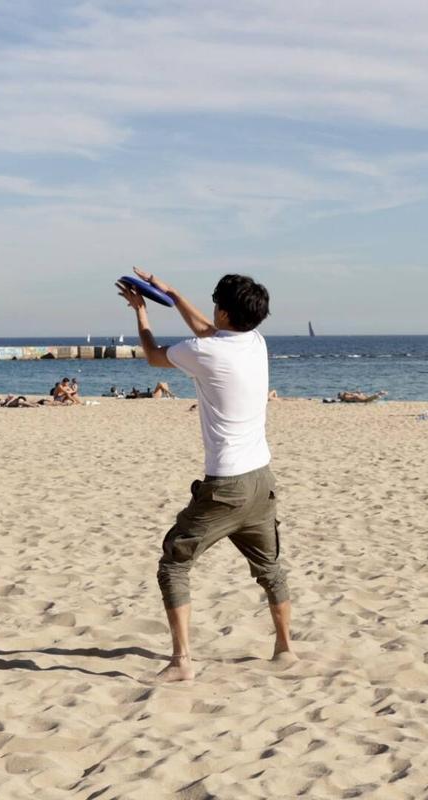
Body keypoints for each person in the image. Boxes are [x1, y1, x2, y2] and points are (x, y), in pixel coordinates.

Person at [117, 266, 293, 682]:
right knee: (269, 568)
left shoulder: (204, 351)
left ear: (225, 313)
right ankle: (286, 649)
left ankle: (181, 663)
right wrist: (173, 293)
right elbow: (211, 331)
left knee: (173, 563)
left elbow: (153, 356)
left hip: (225, 485)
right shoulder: (256, 342)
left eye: (216, 304)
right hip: (262, 479)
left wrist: (141, 311)